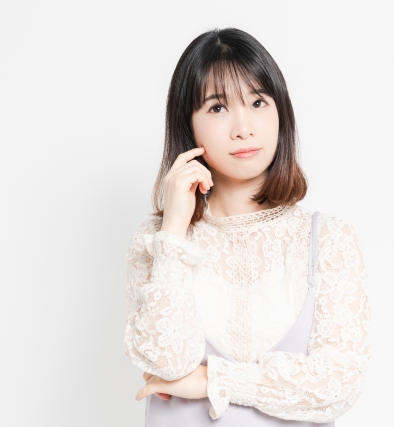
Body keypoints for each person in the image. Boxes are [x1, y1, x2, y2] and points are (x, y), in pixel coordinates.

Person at [124, 28, 370, 426]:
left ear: (281, 112)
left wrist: (213, 380)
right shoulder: (157, 240)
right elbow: (167, 362)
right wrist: (173, 229)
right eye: (218, 108)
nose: (243, 128)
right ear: (188, 124)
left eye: (257, 102)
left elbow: (338, 384)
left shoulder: (327, 239)